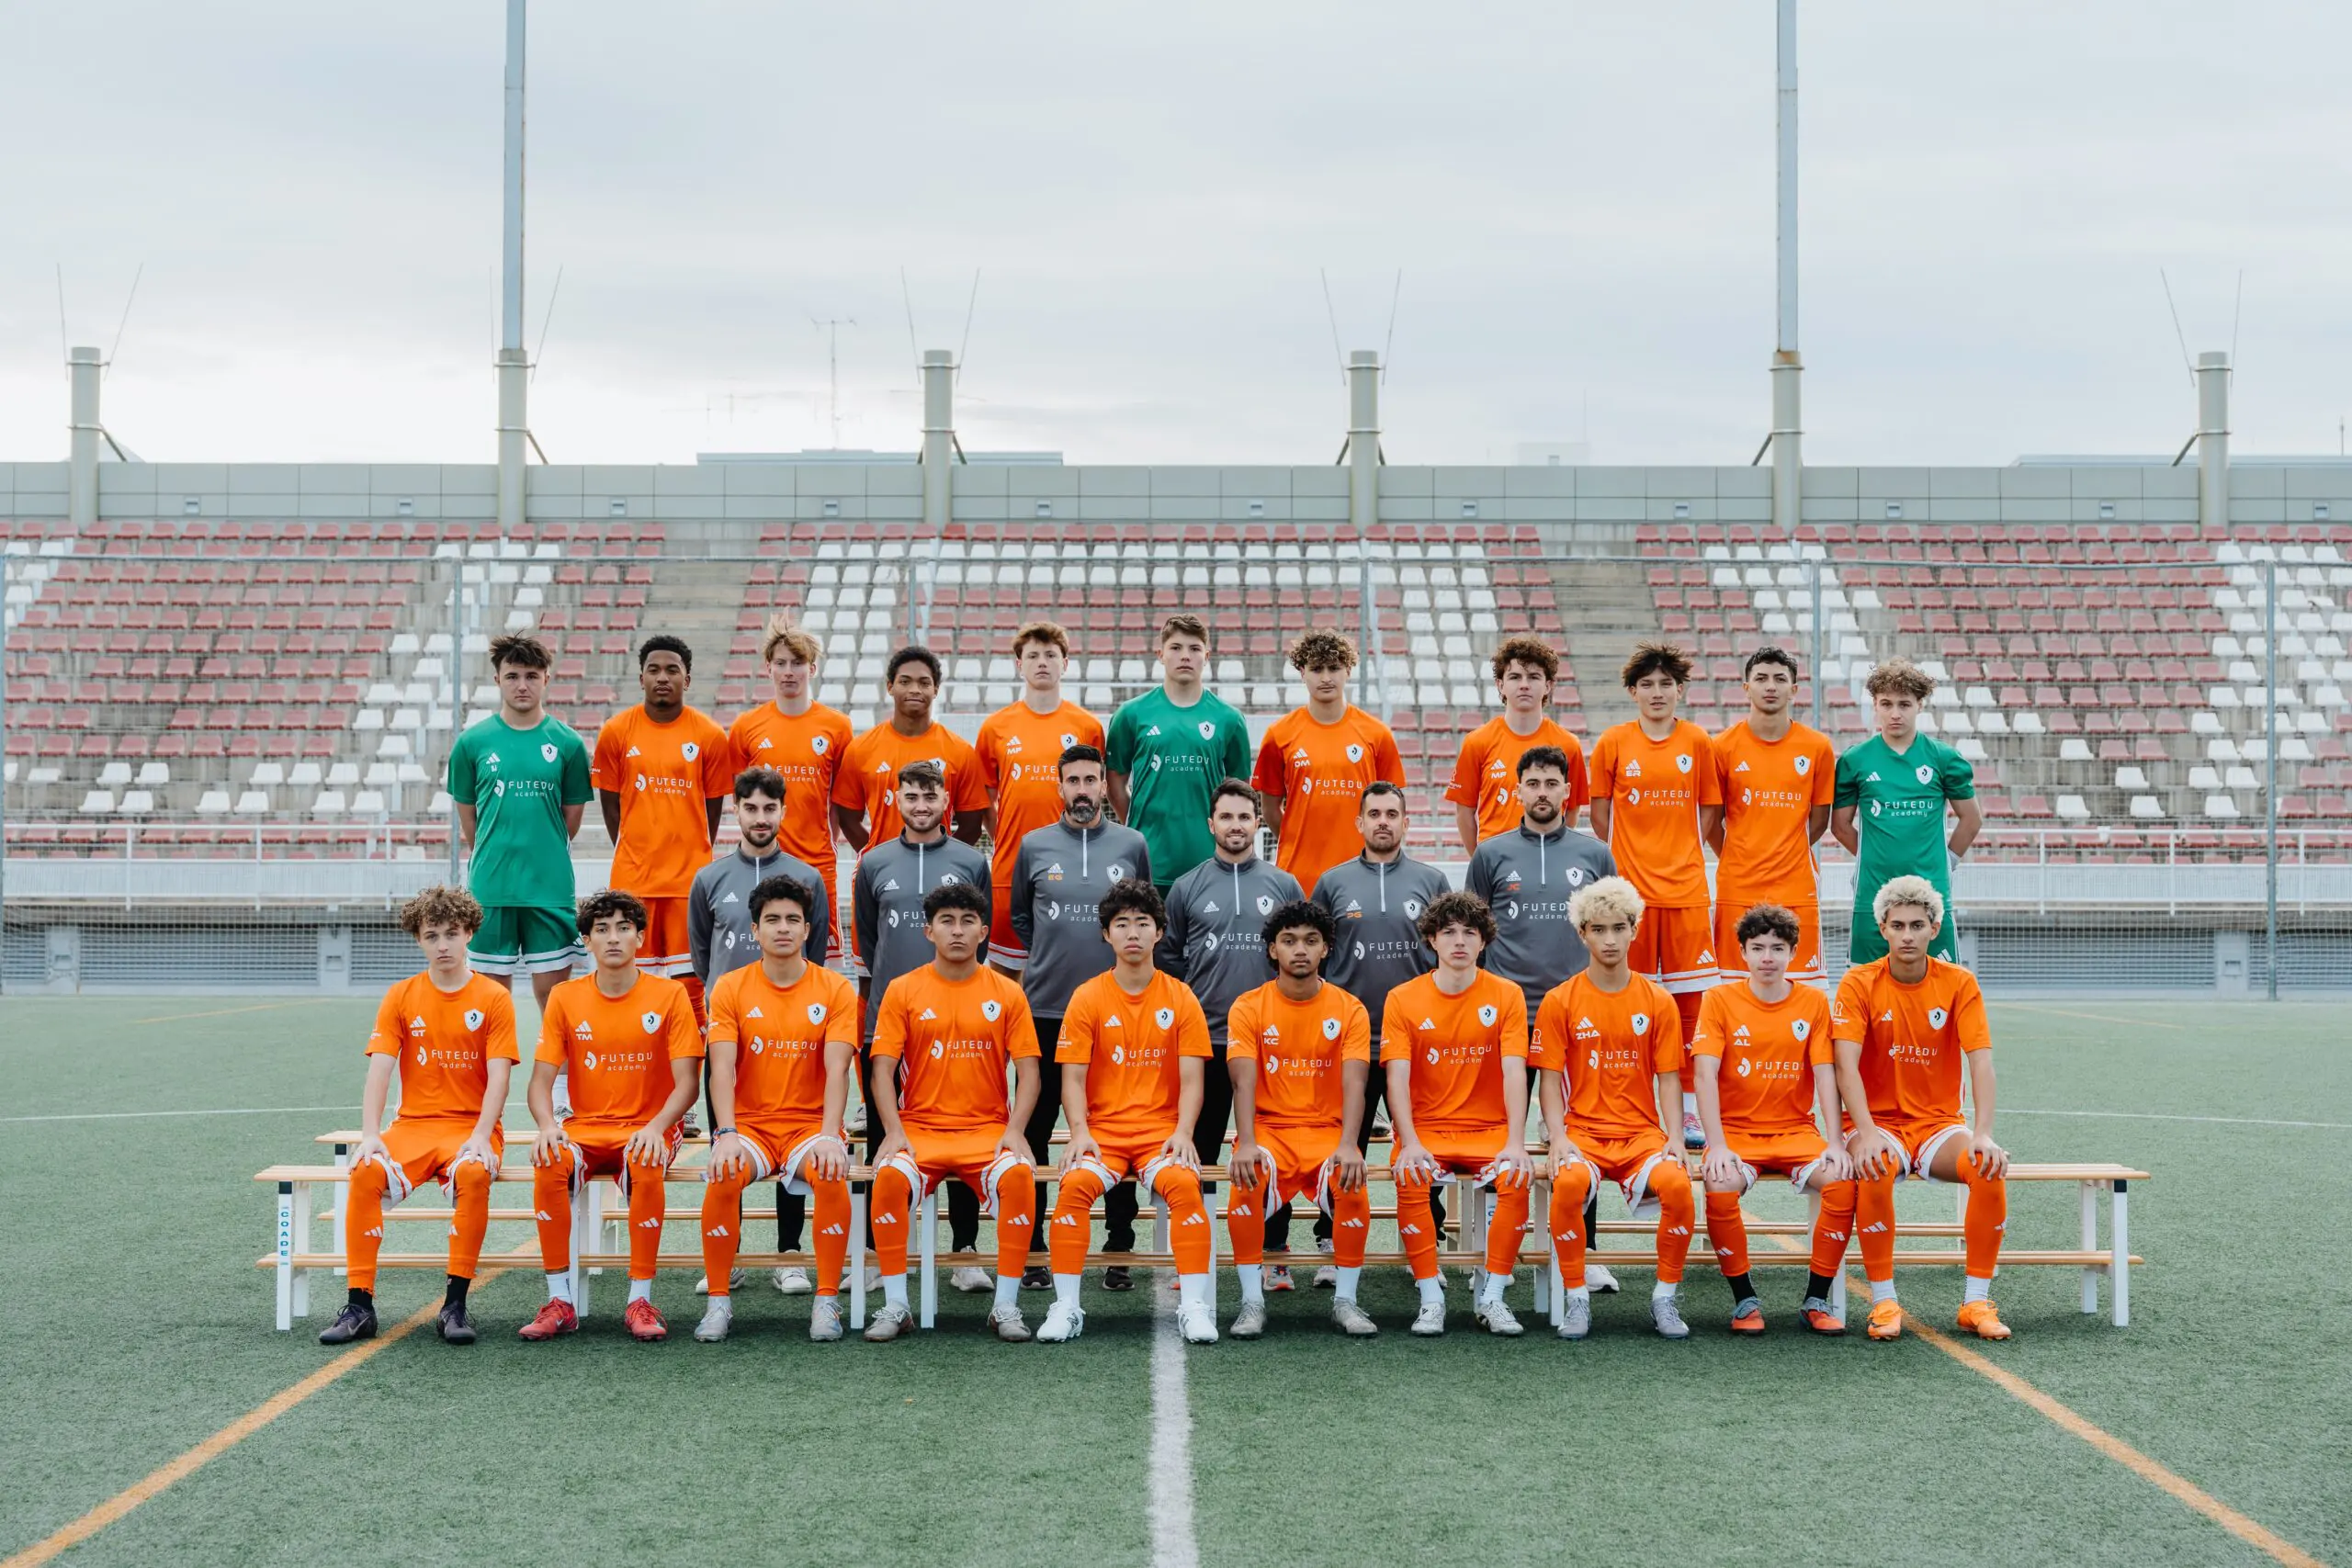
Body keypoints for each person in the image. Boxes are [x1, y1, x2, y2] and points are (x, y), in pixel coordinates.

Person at [318, 886, 517, 1348]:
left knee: (474, 1174)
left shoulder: (493, 997)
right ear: (418, 939)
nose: (443, 944)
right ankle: (360, 1307)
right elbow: (380, 1069)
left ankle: (455, 1306)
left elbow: (500, 1076)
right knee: (366, 1170)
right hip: (413, 1126)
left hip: (470, 1128)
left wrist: (482, 1135)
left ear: (469, 933)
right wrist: (371, 1134)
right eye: (432, 935)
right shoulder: (401, 995)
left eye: (452, 933)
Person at [1035, 881, 1219, 1346]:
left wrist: (1184, 1131)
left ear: (1160, 932)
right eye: (1121, 924)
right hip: (1105, 1136)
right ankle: (1067, 1306)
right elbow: (1072, 1079)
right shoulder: (1087, 997)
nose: (1132, 933)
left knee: (1185, 1185)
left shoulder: (1181, 997)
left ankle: (1194, 1306)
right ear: (1106, 934)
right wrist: (1079, 1132)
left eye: (1142, 923)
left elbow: (1193, 1079)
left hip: (1161, 1135)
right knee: (1074, 1186)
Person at [518, 891, 704, 1344]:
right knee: (549, 1159)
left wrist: (656, 1127)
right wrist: (548, 1127)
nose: (613, 937)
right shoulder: (565, 996)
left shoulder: (670, 995)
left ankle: (640, 1300)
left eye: (624, 928)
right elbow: (540, 1082)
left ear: (640, 937)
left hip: (649, 1126)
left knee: (645, 1160)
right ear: (587, 941)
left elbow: (687, 1084)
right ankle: (559, 1301)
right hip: (585, 1126)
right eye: (601, 929)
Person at [1831, 875, 2009, 1342]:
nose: (1907, 935)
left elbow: (1981, 1062)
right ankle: (1884, 1301)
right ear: (1882, 930)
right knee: (1874, 1165)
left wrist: (1983, 1133)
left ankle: (1975, 1302)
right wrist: (1867, 1133)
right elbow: (1845, 1067)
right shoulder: (1858, 982)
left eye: (1916, 925)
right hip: (1877, 1124)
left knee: (1986, 1166)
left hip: (1938, 1125)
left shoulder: (1959, 983)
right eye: (1897, 926)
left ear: (1934, 929)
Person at [864, 881, 1042, 1343]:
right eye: (947, 921)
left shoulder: (1008, 993)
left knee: (1020, 1177)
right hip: (920, 1130)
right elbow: (881, 1070)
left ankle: (1005, 1306)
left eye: (967, 922)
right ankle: (896, 1305)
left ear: (983, 931)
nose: (957, 931)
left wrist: (1016, 1130)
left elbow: (1029, 1072)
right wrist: (893, 1131)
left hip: (986, 1131)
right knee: (888, 1178)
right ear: (929, 931)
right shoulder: (903, 990)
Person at [1003, 743, 1151, 1284]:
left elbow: (1141, 909)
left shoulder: (1131, 843)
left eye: (1092, 780)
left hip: (1117, 1010)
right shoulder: (1033, 845)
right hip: (1046, 1008)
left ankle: (1118, 1246)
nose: (1084, 790)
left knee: (1118, 1123)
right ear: (1060, 787)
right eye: (1074, 781)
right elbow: (1022, 917)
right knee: (1037, 1128)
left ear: (1104, 786)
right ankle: (1035, 1248)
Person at [687, 764, 835, 1297]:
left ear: (783, 812)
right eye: (750, 807)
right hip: (730, 1035)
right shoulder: (709, 878)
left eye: (770, 808)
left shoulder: (808, 878)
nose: (760, 817)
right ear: (736, 811)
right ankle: (727, 1258)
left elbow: (815, 956)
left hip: (794, 1033)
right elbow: (702, 956)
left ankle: (789, 1253)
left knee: (795, 1135)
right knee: (728, 1143)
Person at [695, 874, 859, 1344]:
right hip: (751, 1127)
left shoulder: (835, 988)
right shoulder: (730, 987)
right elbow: (720, 1069)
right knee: (724, 1173)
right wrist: (725, 1133)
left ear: (808, 929)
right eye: (772, 920)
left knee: (831, 1172)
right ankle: (718, 1302)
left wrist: (830, 1134)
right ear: (755, 930)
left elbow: (838, 1070)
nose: (782, 928)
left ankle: (826, 1300)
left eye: (792, 919)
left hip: (809, 1126)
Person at [847, 761, 992, 1290]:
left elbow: (981, 932)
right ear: (896, 800)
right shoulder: (874, 862)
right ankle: (877, 1253)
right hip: (890, 1019)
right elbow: (868, 939)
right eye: (911, 796)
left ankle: (965, 1251)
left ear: (946, 801)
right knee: (884, 1134)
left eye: (930, 796)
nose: (921, 805)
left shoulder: (969, 861)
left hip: (958, 1019)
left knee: (963, 1125)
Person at [1532, 876, 1697, 1341]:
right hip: (1582, 1133)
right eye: (1599, 929)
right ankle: (1577, 1297)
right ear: (1582, 933)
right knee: (1568, 1184)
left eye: (1618, 928)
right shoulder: (1560, 1000)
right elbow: (1549, 1082)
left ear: (1634, 930)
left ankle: (1664, 1298)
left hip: (1640, 1135)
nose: (1609, 939)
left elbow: (1669, 1079)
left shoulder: (1658, 1000)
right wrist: (1558, 1136)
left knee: (1678, 1187)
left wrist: (1675, 1138)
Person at [1307, 780, 1451, 1275]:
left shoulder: (1432, 880)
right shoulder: (1333, 883)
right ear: (1360, 822)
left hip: (1419, 1042)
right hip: (1352, 1041)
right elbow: (1315, 954)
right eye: (1375, 814)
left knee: (1424, 1142)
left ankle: (1428, 1240)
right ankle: (1330, 1239)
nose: (1384, 822)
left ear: (1407, 822)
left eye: (1392, 814)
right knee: (1346, 1143)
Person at [1690, 903, 1855, 1337]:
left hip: (1796, 1131)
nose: (1768, 957)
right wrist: (1717, 1143)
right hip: (1736, 1133)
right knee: (1719, 1184)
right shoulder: (1719, 1000)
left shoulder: (1813, 1002)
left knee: (1842, 1181)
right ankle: (1744, 1301)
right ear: (1742, 952)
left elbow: (1826, 1074)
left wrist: (1835, 1142)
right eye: (1758, 948)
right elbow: (1704, 1075)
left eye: (1777, 948)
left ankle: (1816, 1299)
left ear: (1793, 953)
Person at [1159, 781, 1301, 1279]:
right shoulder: (1187, 887)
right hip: (1206, 1042)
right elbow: (1170, 959)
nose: (1236, 826)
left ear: (1258, 823)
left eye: (1244, 817)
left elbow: (1298, 954)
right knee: (1198, 1150)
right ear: (1211, 824)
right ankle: (1194, 1255)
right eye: (1226, 817)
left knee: (1272, 1149)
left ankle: (1274, 1255)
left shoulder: (1284, 885)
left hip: (1269, 1044)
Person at [1381, 892, 1535, 1337]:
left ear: (1484, 941)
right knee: (1410, 1173)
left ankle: (1493, 1297)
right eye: (1448, 932)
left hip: (1488, 1129)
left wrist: (1515, 1142)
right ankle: (1431, 1298)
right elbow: (1396, 1079)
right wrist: (1409, 1142)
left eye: (1470, 932)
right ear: (1432, 939)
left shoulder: (1507, 994)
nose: (1460, 941)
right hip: (1427, 1129)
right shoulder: (1402, 998)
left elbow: (1514, 1072)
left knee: (1517, 1175)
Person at [1588, 642, 1723, 1148]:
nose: (1657, 692)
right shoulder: (1613, 742)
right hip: (1630, 900)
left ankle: (1686, 1111)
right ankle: (1630, 1101)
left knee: (1689, 1007)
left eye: (1667, 684)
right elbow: (1600, 814)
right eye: (1647, 684)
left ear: (1680, 690)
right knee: (1626, 1001)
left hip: (1687, 892)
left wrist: (1682, 851)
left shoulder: (1698, 741)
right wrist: (1630, 860)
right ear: (1633, 692)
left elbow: (1709, 810)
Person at [1223, 900, 1376, 1339]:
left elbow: (1355, 1084)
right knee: (1246, 1179)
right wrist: (1246, 1141)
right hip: (1270, 1131)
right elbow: (1243, 1082)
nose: (1300, 950)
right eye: (1289, 941)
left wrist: (1349, 1144)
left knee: (1352, 1184)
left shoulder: (1349, 1008)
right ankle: (1252, 1302)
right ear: (1273, 950)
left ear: (1326, 948)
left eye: (1311, 940)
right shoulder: (1248, 1007)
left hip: (1327, 1132)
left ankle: (1345, 1301)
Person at [447, 634, 593, 1005]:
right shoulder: (471, 743)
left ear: (547, 678)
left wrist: (541, 850)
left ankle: (553, 1051)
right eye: (512, 676)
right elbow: (470, 824)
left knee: (555, 1000)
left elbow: (570, 821)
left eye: (531, 676)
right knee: (491, 1000)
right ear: (498, 679)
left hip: (550, 889)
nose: (522, 685)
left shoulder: (569, 744)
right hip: (492, 888)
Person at [591, 636, 732, 1013]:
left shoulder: (709, 735)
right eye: (653, 670)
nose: (663, 677)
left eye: (672, 670)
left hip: (688, 884)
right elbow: (611, 808)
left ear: (687, 679)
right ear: (641, 678)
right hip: (633, 882)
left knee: (690, 985)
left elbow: (712, 811)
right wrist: (636, 849)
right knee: (632, 981)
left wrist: (690, 852)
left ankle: (690, 1053)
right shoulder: (616, 731)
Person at [1832, 659, 1982, 966]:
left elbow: (1971, 819)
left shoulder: (1944, 758)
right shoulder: (1855, 760)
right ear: (1875, 704)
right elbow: (1840, 825)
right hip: (1873, 894)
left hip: (1930, 893)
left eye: (1904, 704)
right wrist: (1874, 855)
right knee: (1867, 982)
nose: (1895, 713)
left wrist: (1947, 860)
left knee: (1939, 983)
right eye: (1886, 704)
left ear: (1919, 705)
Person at [975, 620, 1105, 974]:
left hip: (1073, 870)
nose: (1042, 662)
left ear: (1066, 663)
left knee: (1071, 969)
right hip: (1011, 868)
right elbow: (985, 798)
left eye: (1050, 655)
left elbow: (1094, 796)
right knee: (1006, 973)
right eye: (1033, 656)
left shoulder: (1087, 726)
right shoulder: (995, 728)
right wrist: (1007, 837)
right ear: (1020, 664)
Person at [1709, 647, 1838, 986]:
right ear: (1746, 687)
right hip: (1738, 887)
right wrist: (1739, 853)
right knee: (1733, 989)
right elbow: (1712, 821)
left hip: (1796, 887)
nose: (1770, 686)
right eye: (1761, 678)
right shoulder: (1721, 747)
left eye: (1780, 679)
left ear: (1793, 689)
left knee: (1802, 990)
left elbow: (1819, 819)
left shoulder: (1817, 747)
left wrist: (1785, 849)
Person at [1104, 614, 1253, 896]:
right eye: (1176, 647)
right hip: (1148, 862)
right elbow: (1114, 785)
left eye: (1194, 648)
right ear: (1160, 655)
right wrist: (1141, 826)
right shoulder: (1131, 714)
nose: (1185, 655)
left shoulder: (1229, 719)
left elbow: (1239, 794)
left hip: (1210, 864)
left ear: (1206, 656)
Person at [1251, 629, 1405, 895]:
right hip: (1298, 876)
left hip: (1362, 876)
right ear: (1302, 672)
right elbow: (1270, 809)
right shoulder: (1279, 735)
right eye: (1316, 669)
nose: (1325, 678)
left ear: (1348, 670)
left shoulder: (1377, 734)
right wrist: (1299, 839)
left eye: (1334, 668)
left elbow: (1392, 807)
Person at [726, 616, 853, 938]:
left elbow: (840, 799)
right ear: (768, 668)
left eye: (798, 663)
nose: (789, 671)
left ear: (812, 668)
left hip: (817, 862)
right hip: (763, 860)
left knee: (822, 955)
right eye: (781, 663)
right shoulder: (746, 726)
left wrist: (827, 842)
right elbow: (739, 797)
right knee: (766, 944)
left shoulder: (837, 726)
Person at [831, 645, 990, 856]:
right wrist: (876, 858)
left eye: (924, 683)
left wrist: (943, 859)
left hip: (938, 874)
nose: (915, 689)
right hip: (882, 872)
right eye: (905, 682)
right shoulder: (861, 748)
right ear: (890, 687)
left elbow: (972, 825)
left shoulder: (961, 751)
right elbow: (848, 818)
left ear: (936, 690)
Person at [1446, 636, 1589, 853]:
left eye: (1533, 677)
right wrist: (1481, 861)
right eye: (1515, 677)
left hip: (1546, 861)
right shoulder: (1477, 742)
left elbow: (1572, 810)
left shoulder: (1568, 745)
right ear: (1500, 685)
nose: (1524, 685)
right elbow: (1464, 812)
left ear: (1548, 685)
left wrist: (1555, 853)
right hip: (1496, 863)